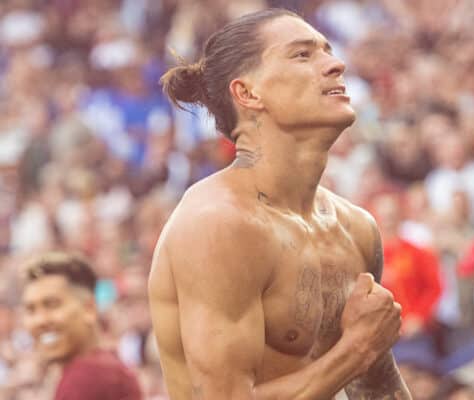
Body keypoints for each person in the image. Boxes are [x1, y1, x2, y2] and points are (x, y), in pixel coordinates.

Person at [148, 8, 412, 400]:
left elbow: (377, 388)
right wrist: (356, 349)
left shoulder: (356, 229)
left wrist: (362, 351)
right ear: (248, 93)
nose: (336, 64)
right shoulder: (217, 223)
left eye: (328, 50)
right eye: (303, 55)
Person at [21, 252, 142, 400]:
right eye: (31, 310)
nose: (40, 320)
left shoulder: (88, 377)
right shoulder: (105, 367)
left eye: (52, 305)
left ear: (89, 308)